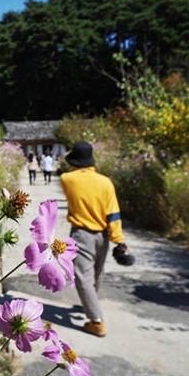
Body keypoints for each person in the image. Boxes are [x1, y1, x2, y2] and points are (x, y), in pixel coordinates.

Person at [60, 141, 130, 337]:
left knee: (83, 277)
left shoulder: (66, 179)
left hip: (81, 233)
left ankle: (96, 321)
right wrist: (119, 240)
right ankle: (91, 305)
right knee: (97, 273)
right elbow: (113, 213)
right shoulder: (105, 182)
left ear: (74, 159)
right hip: (103, 235)